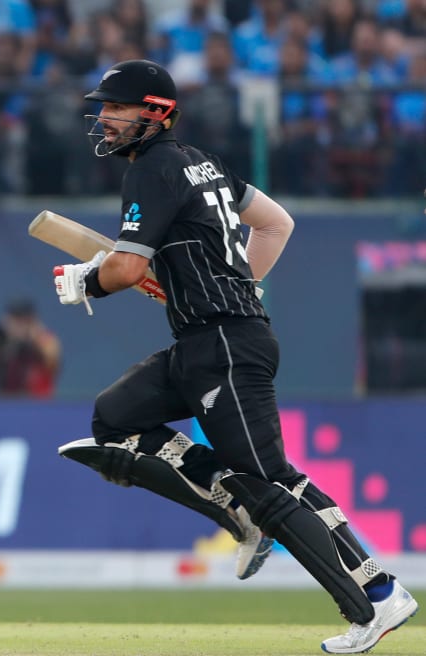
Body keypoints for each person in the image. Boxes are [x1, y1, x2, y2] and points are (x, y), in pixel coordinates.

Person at [50, 59, 418, 654]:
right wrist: (235, 282)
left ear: (154, 113)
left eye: (115, 109)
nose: (104, 119)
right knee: (115, 418)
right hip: (207, 339)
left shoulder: (153, 169)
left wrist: (86, 282)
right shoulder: (204, 163)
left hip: (223, 342)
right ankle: (233, 504)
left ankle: (375, 596)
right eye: (102, 109)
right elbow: (275, 225)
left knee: (272, 481)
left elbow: (125, 267)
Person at [0, 299, 61, 398]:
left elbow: (53, 363)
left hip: (39, 405)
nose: (17, 324)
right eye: (14, 318)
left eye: (22, 318)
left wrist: (33, 338)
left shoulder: (44, 339)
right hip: (7, 405)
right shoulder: (3, 343)